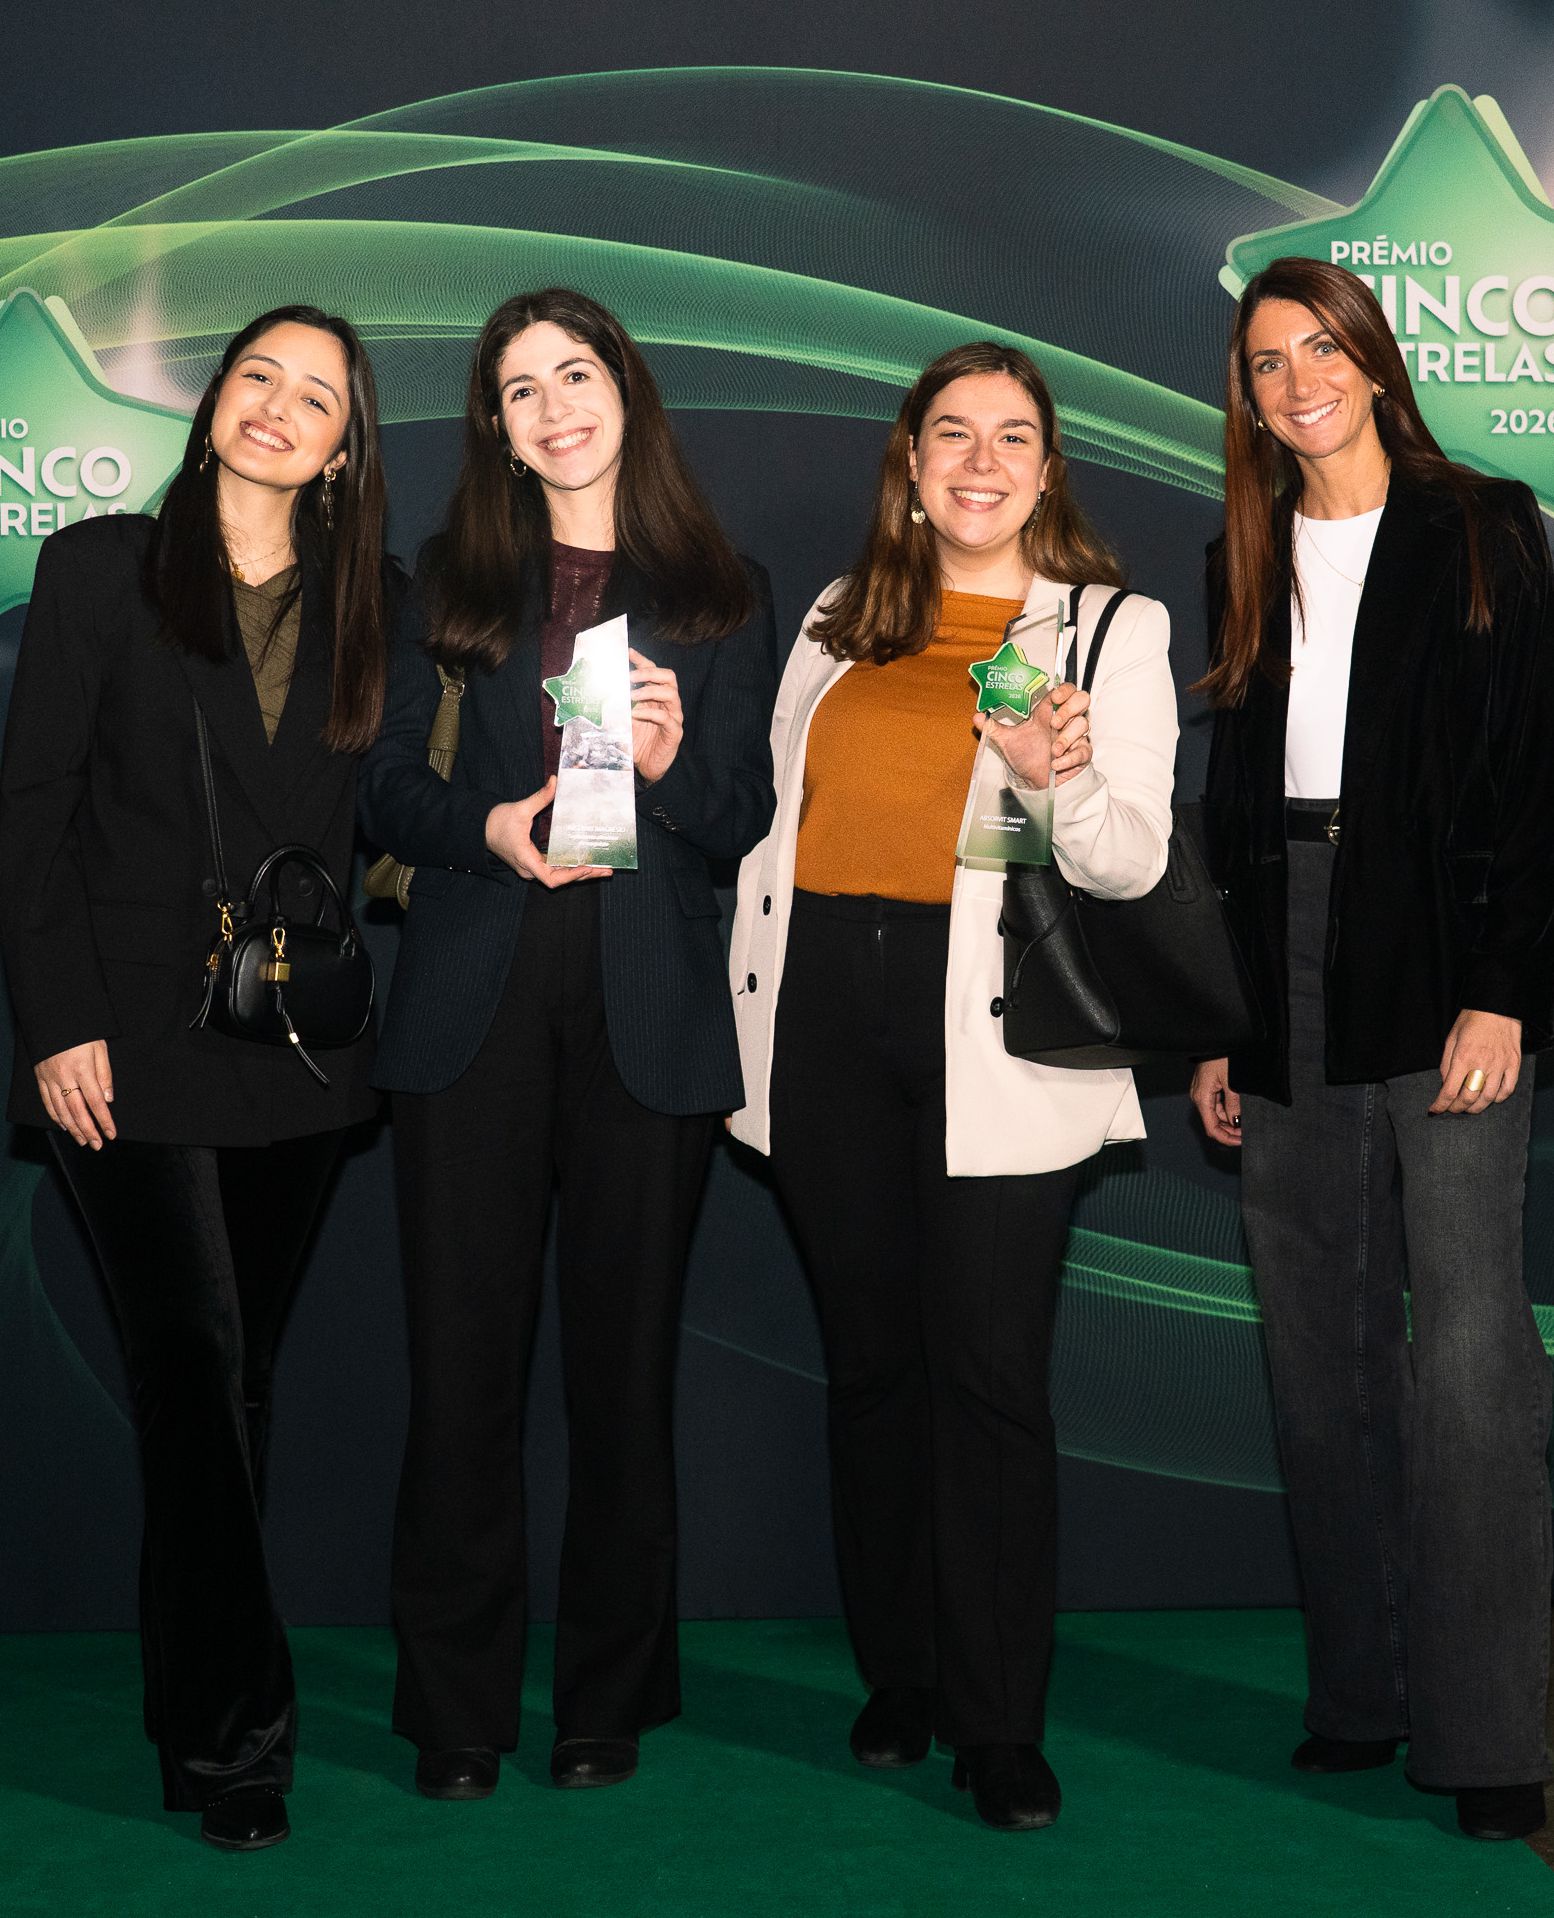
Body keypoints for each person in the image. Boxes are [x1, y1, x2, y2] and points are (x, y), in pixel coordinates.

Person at [728, 341, 1176, 1830]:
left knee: (986, 1376)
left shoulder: (1107, 627)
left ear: (1047, 471)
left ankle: (998, 1721)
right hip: (821, 1017)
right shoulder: (835, 616)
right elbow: (772, 826)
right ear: (909, 466)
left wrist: (1051, 774)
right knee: (872, 1368)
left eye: (1011, 437)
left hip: (994, 1029)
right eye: (951, 435)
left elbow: (1132, 862)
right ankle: (901, 1675)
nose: (980, 461)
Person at [359, 287, 777, 1802]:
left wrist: (666, 766)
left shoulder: (723, 590)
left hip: (644, 1015)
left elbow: (740, 816)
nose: (555, 406)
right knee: (461, 1378)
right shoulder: (444, 583)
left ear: (626, 390)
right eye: (522, 387)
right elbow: (379, 786)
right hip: (470, 1002)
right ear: (497, 424)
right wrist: (484, 827)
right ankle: (453, 1709)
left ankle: (608, 1698)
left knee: (624, 1378)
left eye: (577, 373)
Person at [0, 307, 392, 1850]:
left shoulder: (374, 601)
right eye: (257, 377)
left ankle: (188, 1698)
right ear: (215, 396)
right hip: (123, 1046)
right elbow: (32, 810)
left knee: (229, 1387)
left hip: (292, 1041)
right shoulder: (103, 565)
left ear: (345, 449)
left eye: (317, 398)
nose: (278, 408)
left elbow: (401, 803)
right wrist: (55, 1022)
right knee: (193, 1357)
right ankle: (238, 1737)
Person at [1191, 256, 1554, 1842]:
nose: (1296, 381)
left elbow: (1539, 767)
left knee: (1469, 1352)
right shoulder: (1237, 550)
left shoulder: (1484, 524)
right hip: (1283, 948)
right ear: (1246, 394)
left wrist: (1505, 986)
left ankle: (1488, 1731)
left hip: (1445, 951)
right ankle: (1361, 1689)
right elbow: (1226, 800)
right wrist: (1219, 1013)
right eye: (1266, 360)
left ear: (1372, 359)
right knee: (1314, 1348)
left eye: (1319, 347)